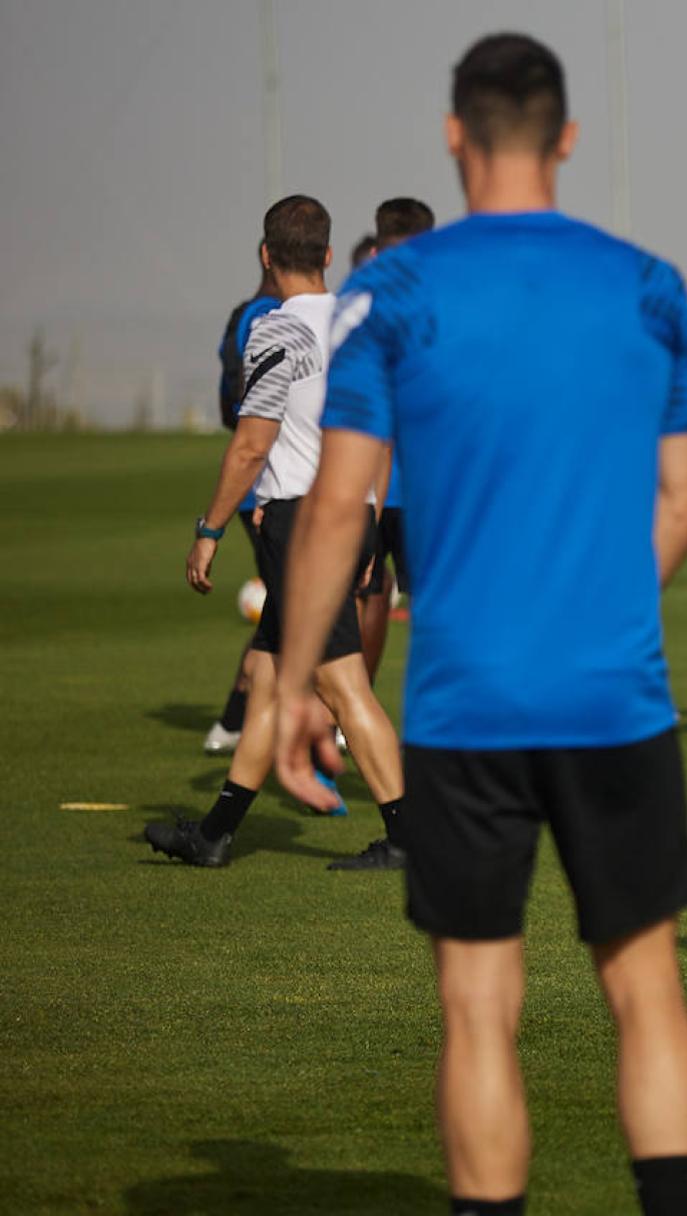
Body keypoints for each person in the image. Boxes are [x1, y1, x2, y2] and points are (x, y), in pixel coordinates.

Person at [271, 34, 687, 1214]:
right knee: (647, 989)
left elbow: (333, 510)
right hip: (614, 691)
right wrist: (607, 605)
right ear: (566, 138)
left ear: (456, 137)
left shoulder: (394, 293)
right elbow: (684, 503)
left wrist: (279, 694)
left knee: (477, 1006)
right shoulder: (649, 284)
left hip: (465, 703)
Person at [146, 194, 406, 870]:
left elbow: (250, 445)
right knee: (266, 680)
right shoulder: (362, 324)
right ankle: (215, 835)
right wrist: (370, 523)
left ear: (266, 256)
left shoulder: (275, 330)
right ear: (326, 255)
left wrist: (210, 528)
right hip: (353, 510)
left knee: (343, 686)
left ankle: (408, 839)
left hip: (302, 523)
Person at [201, 251, 283, 757]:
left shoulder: (242, 315)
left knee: (287, 612)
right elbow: (247, 417)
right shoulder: (268, 319)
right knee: (299, 616)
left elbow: (228, 409)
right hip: (271, 488)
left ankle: (236, 724)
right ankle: (262, 727)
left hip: (265, 484)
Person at [354, 197, 437, 683]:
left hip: (358, 485)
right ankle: (445, 729)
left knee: (360, 599)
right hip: (422, 491)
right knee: (435, 611)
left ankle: (345, 717)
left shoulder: (349, 308)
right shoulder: (443, 310)